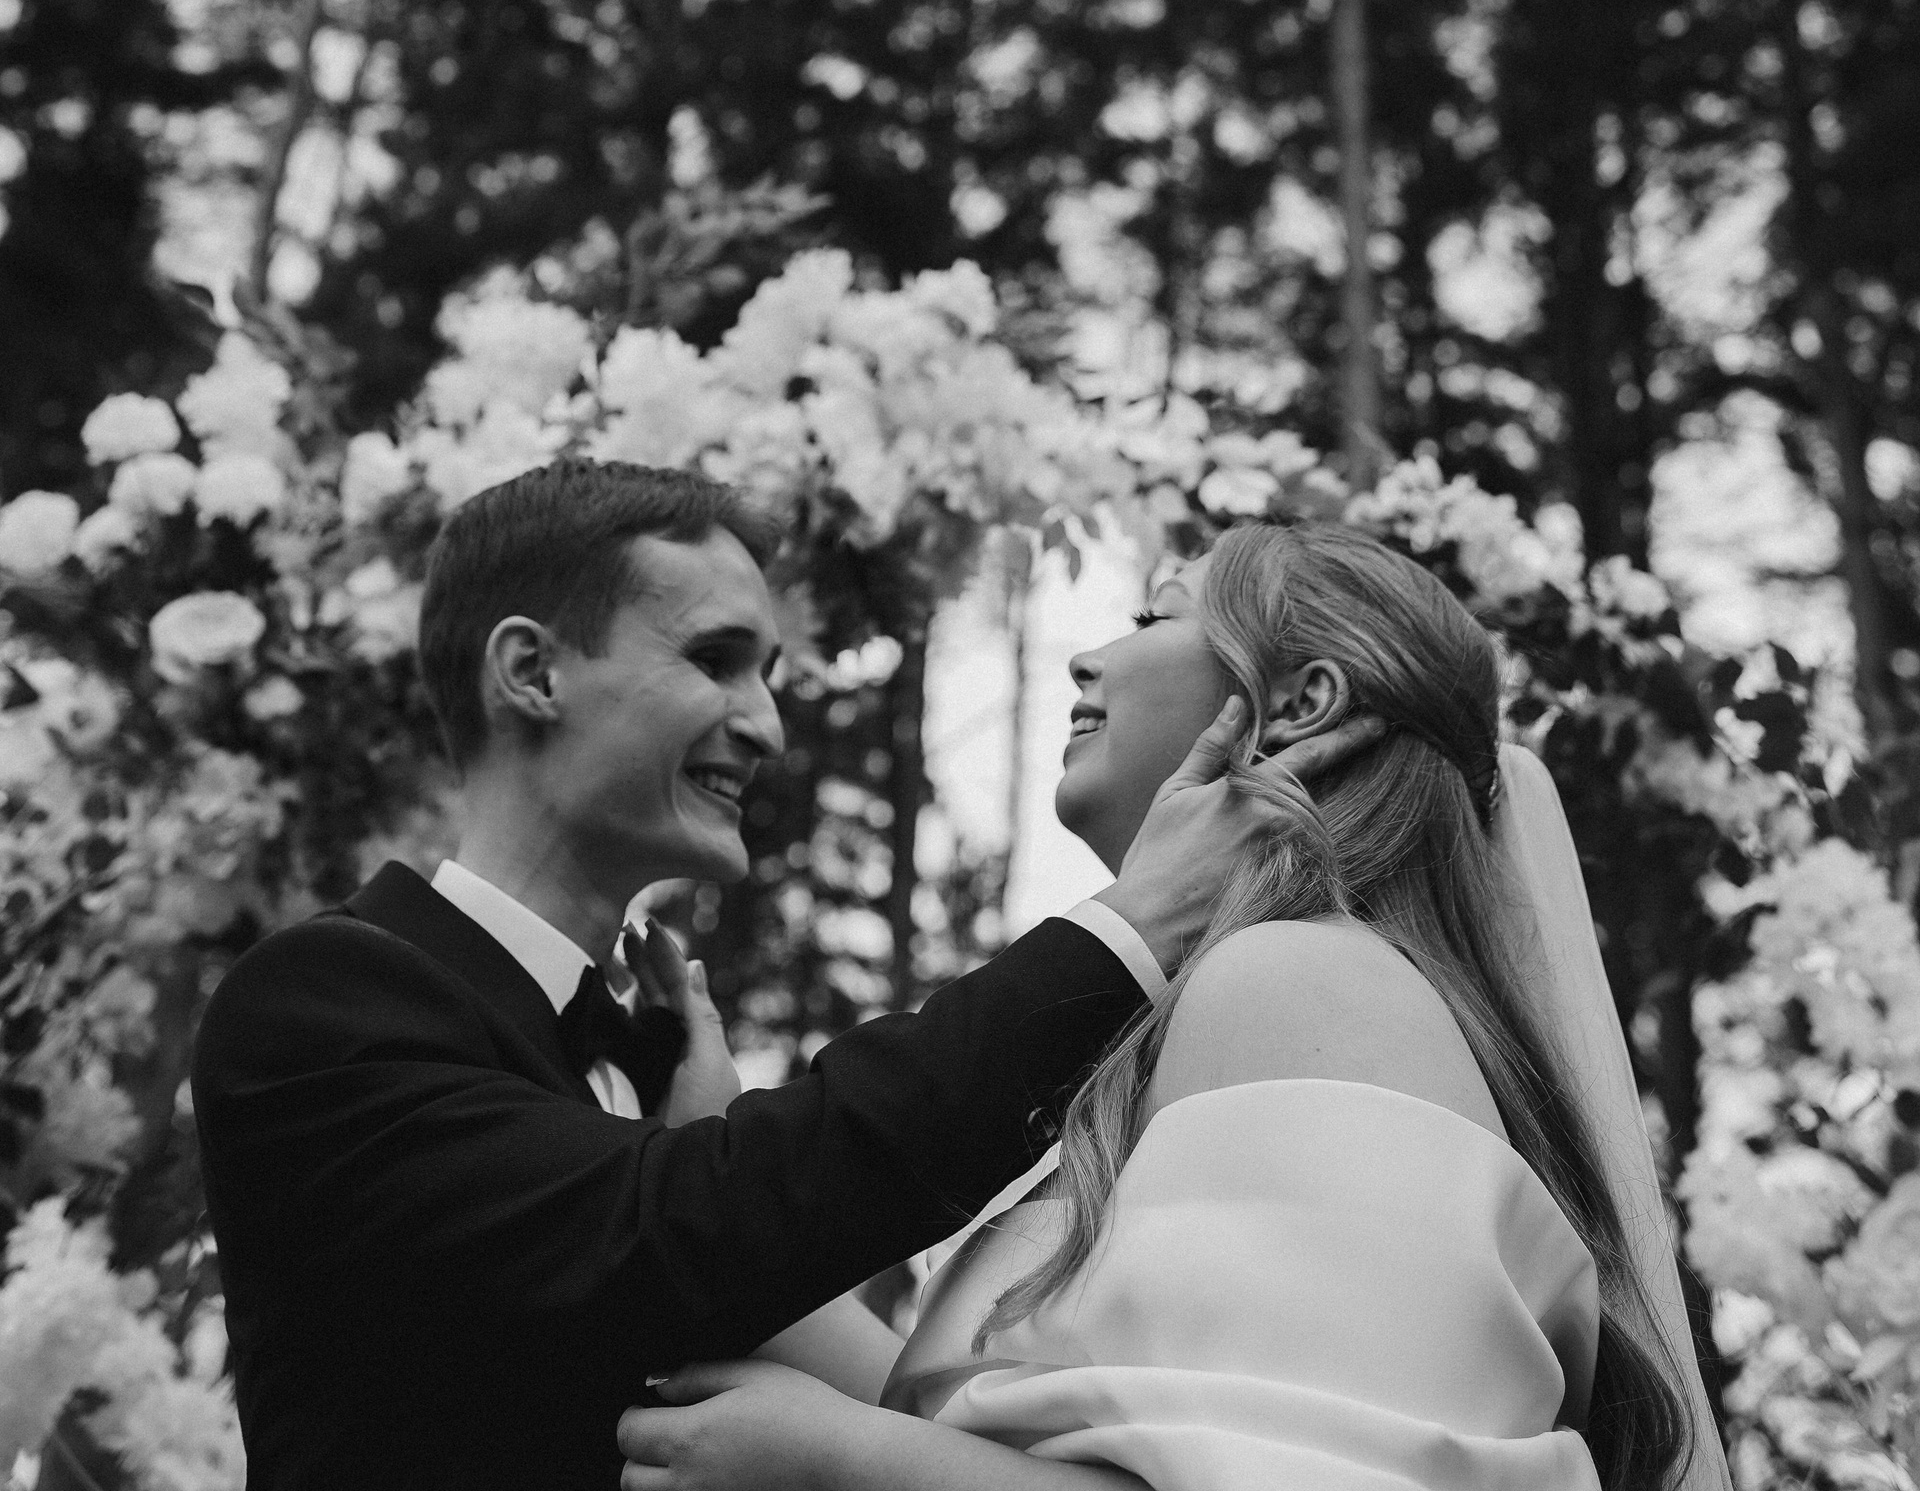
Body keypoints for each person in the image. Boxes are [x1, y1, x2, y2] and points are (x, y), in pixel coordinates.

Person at [192, 461, 1352, 1491]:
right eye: (715, 662)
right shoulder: (322, 1002)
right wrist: (1126, 933)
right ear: (532, 672)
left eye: (770, 675)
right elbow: (683, 1230)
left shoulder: (655, 1067)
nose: (768, 726)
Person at [613, 516, 1734, 1491]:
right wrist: (714, 1147)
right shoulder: (1233, 1013)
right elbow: (1016, 1433)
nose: (1087, 657)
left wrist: (840, 1465)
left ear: (1298, 704)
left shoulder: (1301, 984)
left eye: (1154, 617)